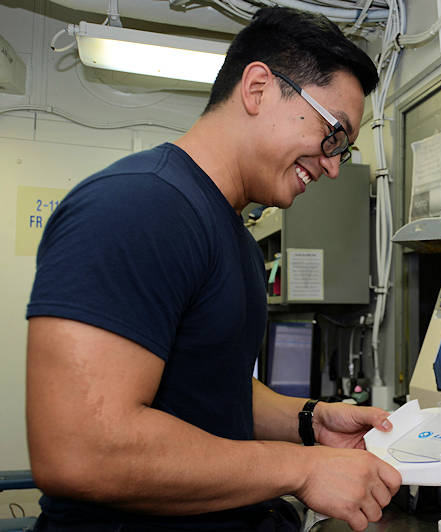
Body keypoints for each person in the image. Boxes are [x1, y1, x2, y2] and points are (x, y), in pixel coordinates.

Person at [25, 7, 401, 532]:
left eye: (345, 148)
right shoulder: (138, 207)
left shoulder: (231, 233)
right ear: (258, 88)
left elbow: (207, 386)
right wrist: (301, 468)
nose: (335, 165)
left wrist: (311, 422)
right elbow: (81, 451)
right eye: (332, 134)